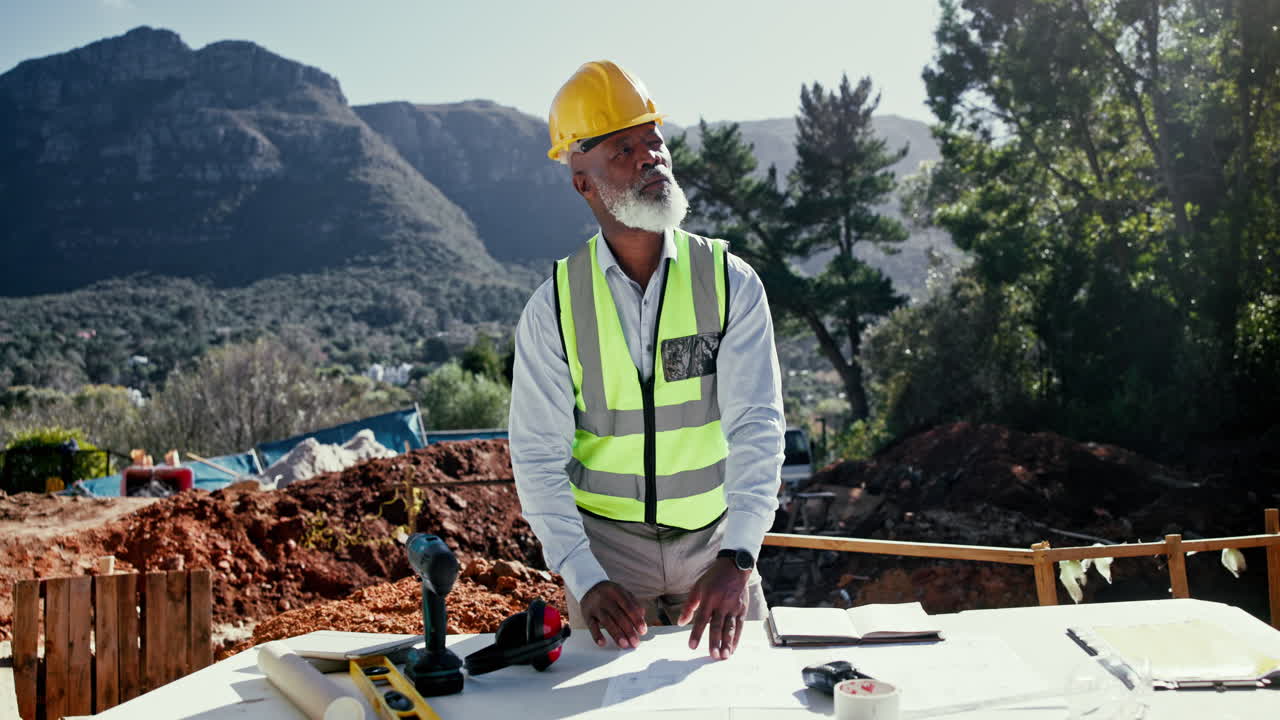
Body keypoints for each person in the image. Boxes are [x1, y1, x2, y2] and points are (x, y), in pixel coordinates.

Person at [509, 60, 784, 661]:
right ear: (583, 183)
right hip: (606, 554)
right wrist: (584, 577)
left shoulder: (729, 283)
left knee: (746, 697)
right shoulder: (553, 308)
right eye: (624, 148)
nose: (650, 157)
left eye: (655, 141)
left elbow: (757, 427)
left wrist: (739, 557)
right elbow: (536, 458)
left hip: (717, 542)